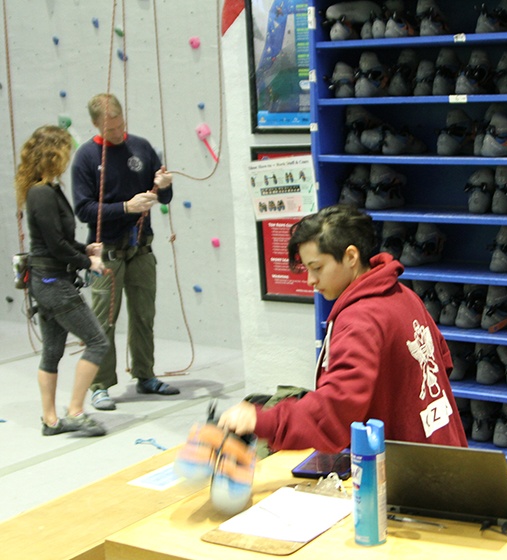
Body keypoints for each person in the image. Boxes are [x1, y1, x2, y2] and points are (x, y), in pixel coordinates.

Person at [218, 205, 468, 452]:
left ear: (350, 257)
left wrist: (263, 420)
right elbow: (444, 362)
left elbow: (337, 407)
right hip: (444, 445)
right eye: (307, 269)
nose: (310, 280)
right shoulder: (403, 294)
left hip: (412, 468)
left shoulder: (360, 319)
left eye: (317, 268)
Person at [72, 93, 179, 411]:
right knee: (104, 319)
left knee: (145, 315)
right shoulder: (87, 157)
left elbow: (163, 197)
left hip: (142, 248)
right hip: (107, 252)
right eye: (111, 128)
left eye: (121, 125)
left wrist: (165, 183)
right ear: (96, 125)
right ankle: (100, 384)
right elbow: (83, 209)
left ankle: (145, 375)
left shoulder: (141, 147)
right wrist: (125, 207)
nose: (119, 133)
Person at [16, 125, 109, 436]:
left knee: (53, 351)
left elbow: (56, 240)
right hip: (52, 282)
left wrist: (85, 249)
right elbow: (54, 245)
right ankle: (76, 411)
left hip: (49, 280)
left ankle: (51, 420)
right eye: (65, 151)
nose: (69, 157)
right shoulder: (40, 192)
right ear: (53, 155)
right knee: (97, 341)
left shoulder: (49, 189)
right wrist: (88, 262)